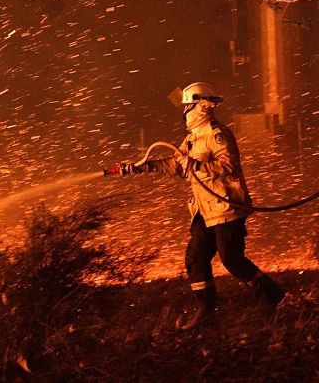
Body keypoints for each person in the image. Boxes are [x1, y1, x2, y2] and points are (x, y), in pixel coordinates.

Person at [122, 82, 284, 330]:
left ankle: (273, 296)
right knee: (195, 258)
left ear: (201, 105)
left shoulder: (215, 132)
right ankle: (207, 310)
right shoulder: (193, 137)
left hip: (225, 206)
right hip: (204, 208)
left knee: (231, 259)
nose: (185, 111)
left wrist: (196, 166)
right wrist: (142, 166)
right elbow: (178, 165)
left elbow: (228, 165)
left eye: (188, 106)